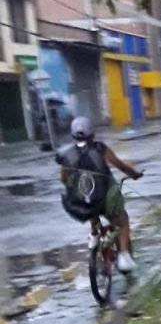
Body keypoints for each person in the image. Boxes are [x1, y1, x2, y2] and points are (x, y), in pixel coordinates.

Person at [56, 116, 143, 273]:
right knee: (122, 221)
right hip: (105, 200)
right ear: (93, 134)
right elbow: (120, 165)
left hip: (81, 205)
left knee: (89, 203)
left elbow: (63, 178)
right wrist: (134, 174)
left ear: (73, 136)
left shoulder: (67, 154)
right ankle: (124, 256)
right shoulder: (100, 148)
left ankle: (94, 235)